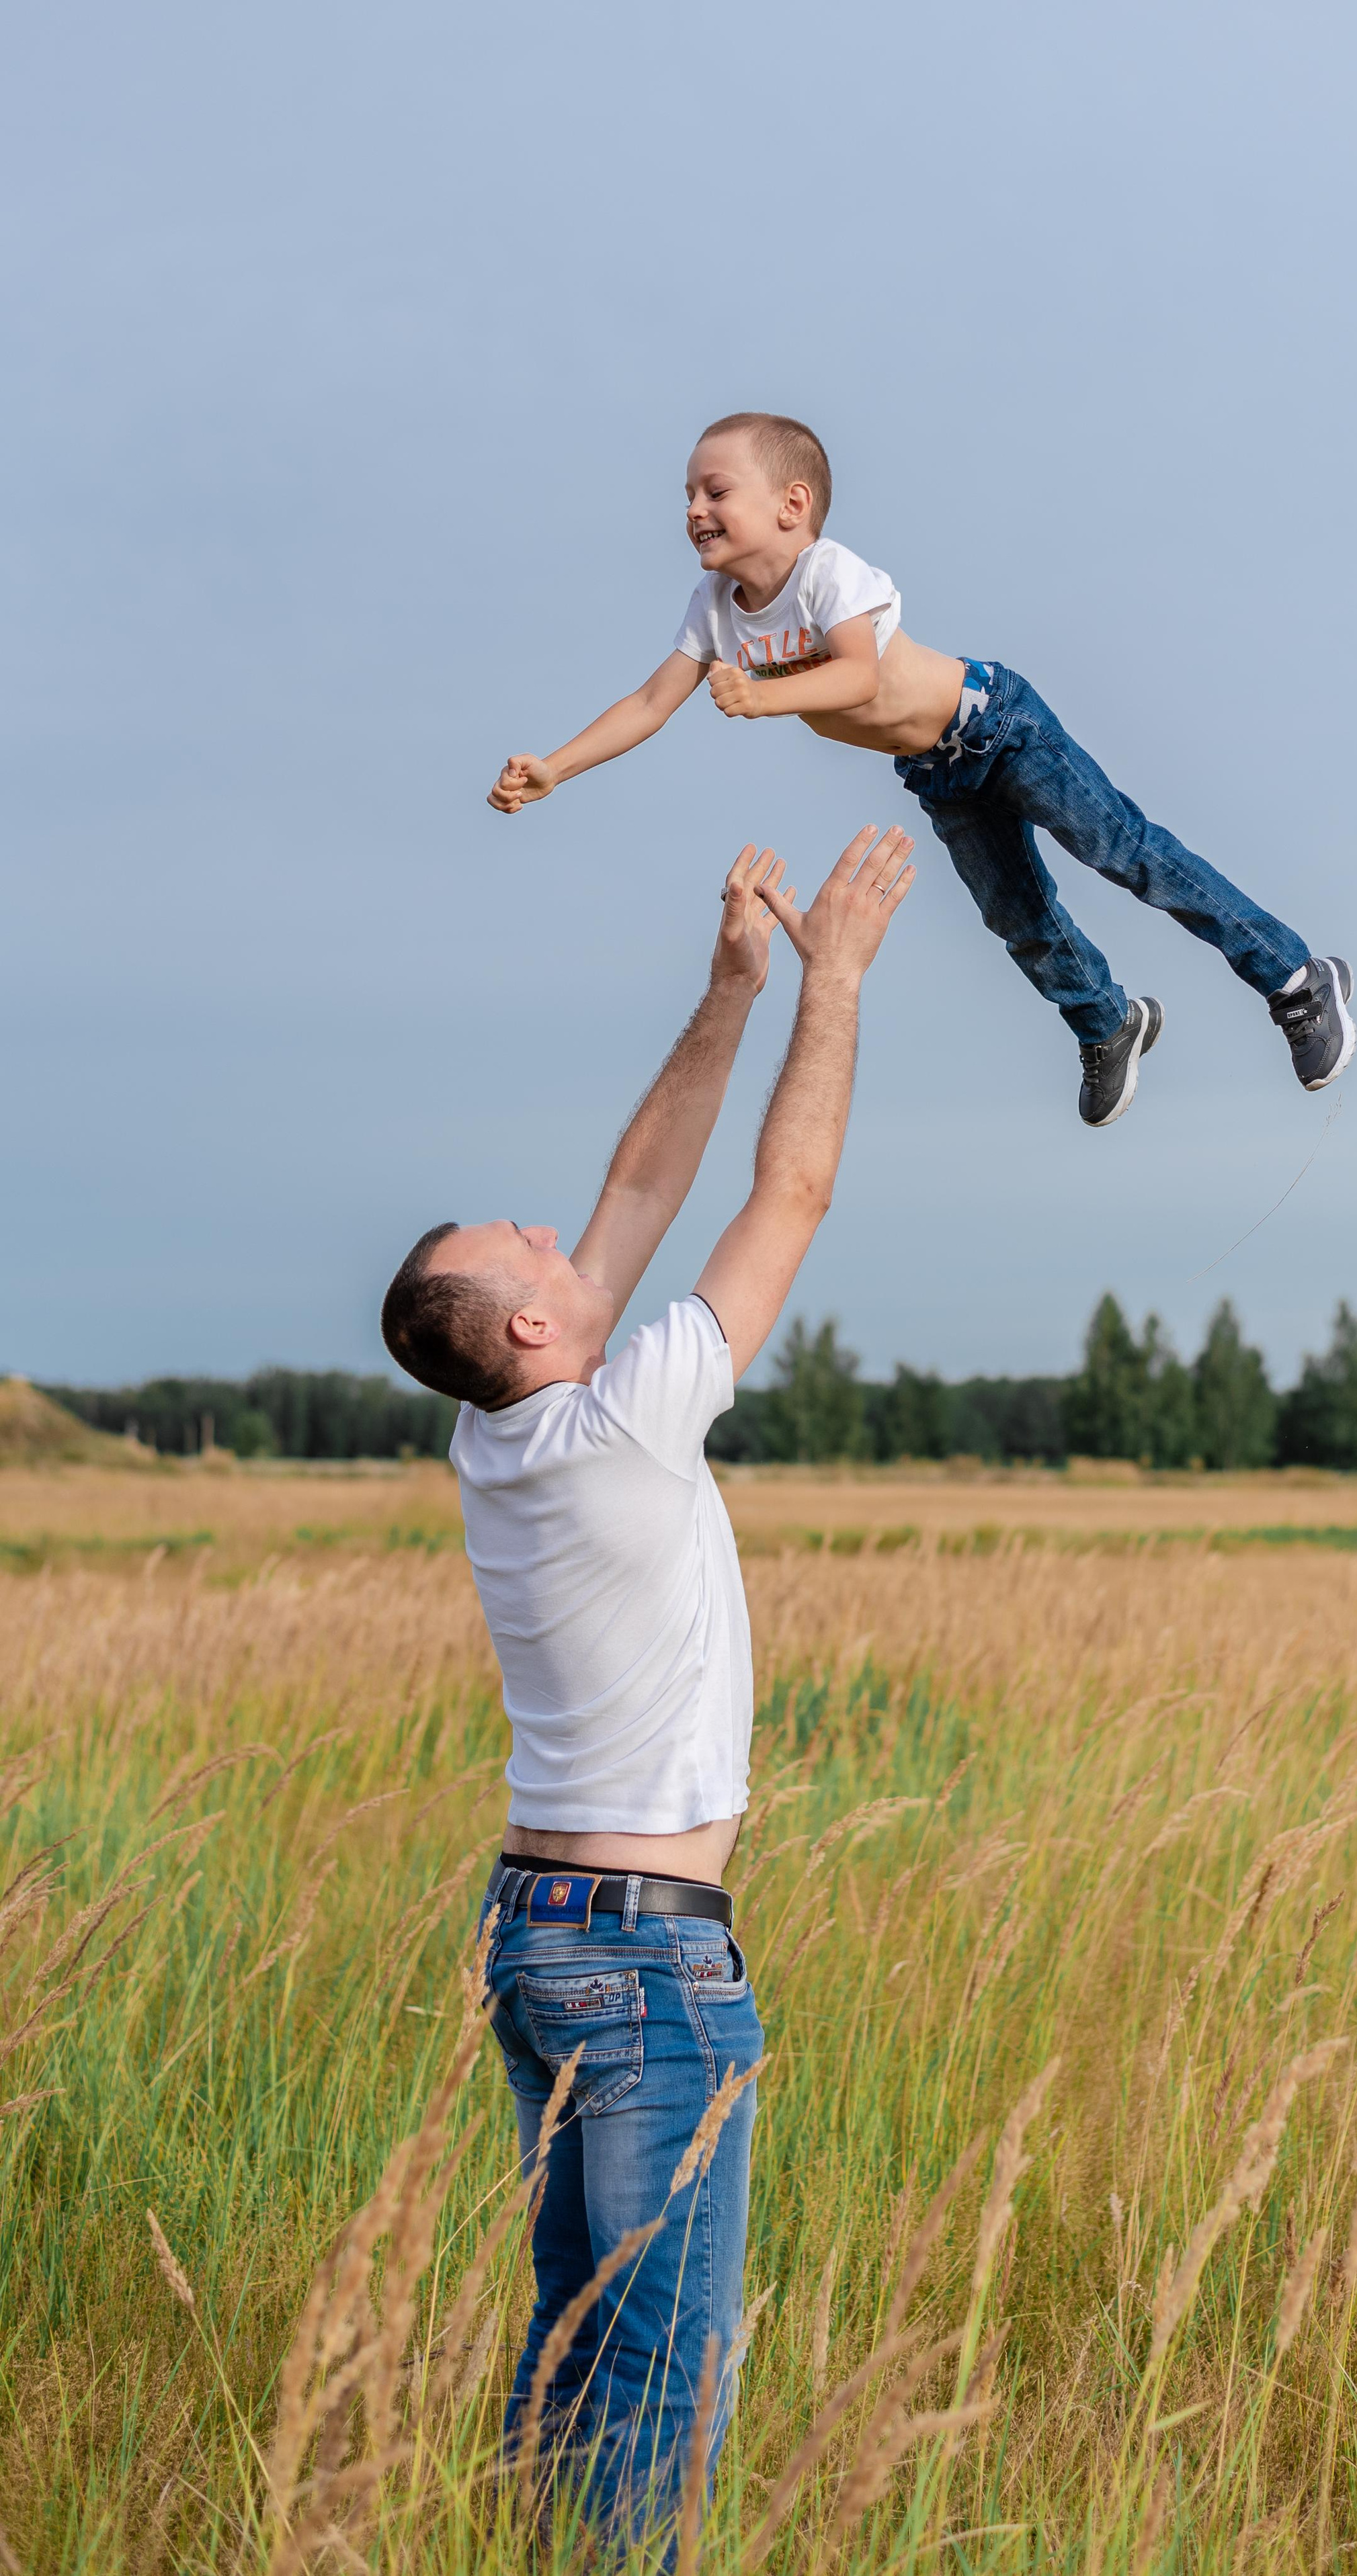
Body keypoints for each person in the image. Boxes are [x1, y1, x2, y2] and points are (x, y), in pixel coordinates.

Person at [378, 826, 915, 2548]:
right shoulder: (618, 1424)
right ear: (531, 1328)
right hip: (634, 1948)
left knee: (576, 2346)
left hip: (543, 1930)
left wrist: (725, 994)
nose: (558, 1229)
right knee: (661, 2373)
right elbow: (788, 1198)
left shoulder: (498, 1429)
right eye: (525, 1247)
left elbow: (637, 1180)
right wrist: (830, 986)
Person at [488, 409, 1354, 1133]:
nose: (693, 509)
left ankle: (1293, 978)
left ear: (792, 505)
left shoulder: (830, 574)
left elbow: (860, 673)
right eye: (687, 495)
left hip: (998, 725)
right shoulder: (714, 608)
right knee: (1016, 916)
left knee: (1128, 855)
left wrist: (757, 694)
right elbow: (649, 702)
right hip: (935, 771)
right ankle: (1107, 1019)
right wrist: (556, 768)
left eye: (715, 492)